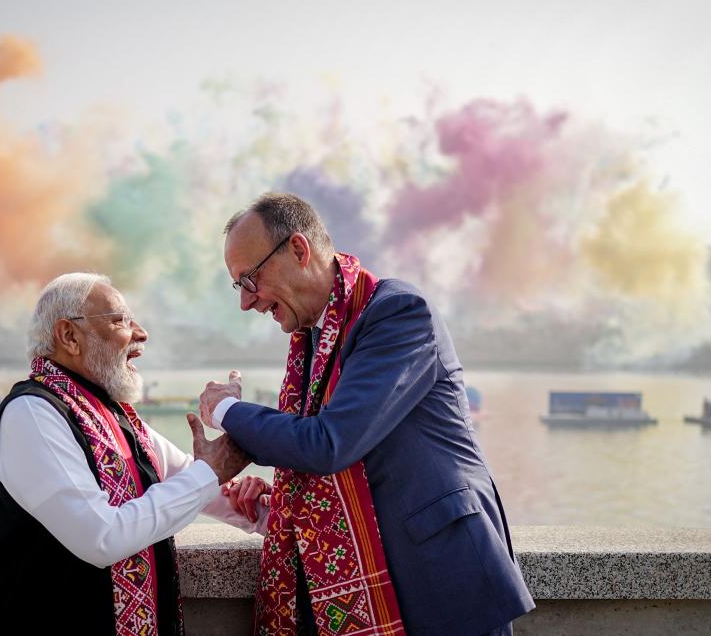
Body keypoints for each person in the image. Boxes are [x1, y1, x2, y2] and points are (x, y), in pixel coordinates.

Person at [200, 193, 535, 635]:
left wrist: (225, 409)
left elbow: (329, 442)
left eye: (250, 280)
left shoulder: (397, 313)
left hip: (442, 579)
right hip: (391, 576)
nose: (247, 302)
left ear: (299, 250)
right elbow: (337, 458)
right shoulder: (314, 340)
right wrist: (280, 504)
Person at [0, 273, 254, 635]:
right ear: (69, 336)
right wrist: (211, 472)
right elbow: (101, 537)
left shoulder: (111, 413)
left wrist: (263, 507)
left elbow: (194, 480)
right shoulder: (32, 413)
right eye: (120, 321)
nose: (140, 333)